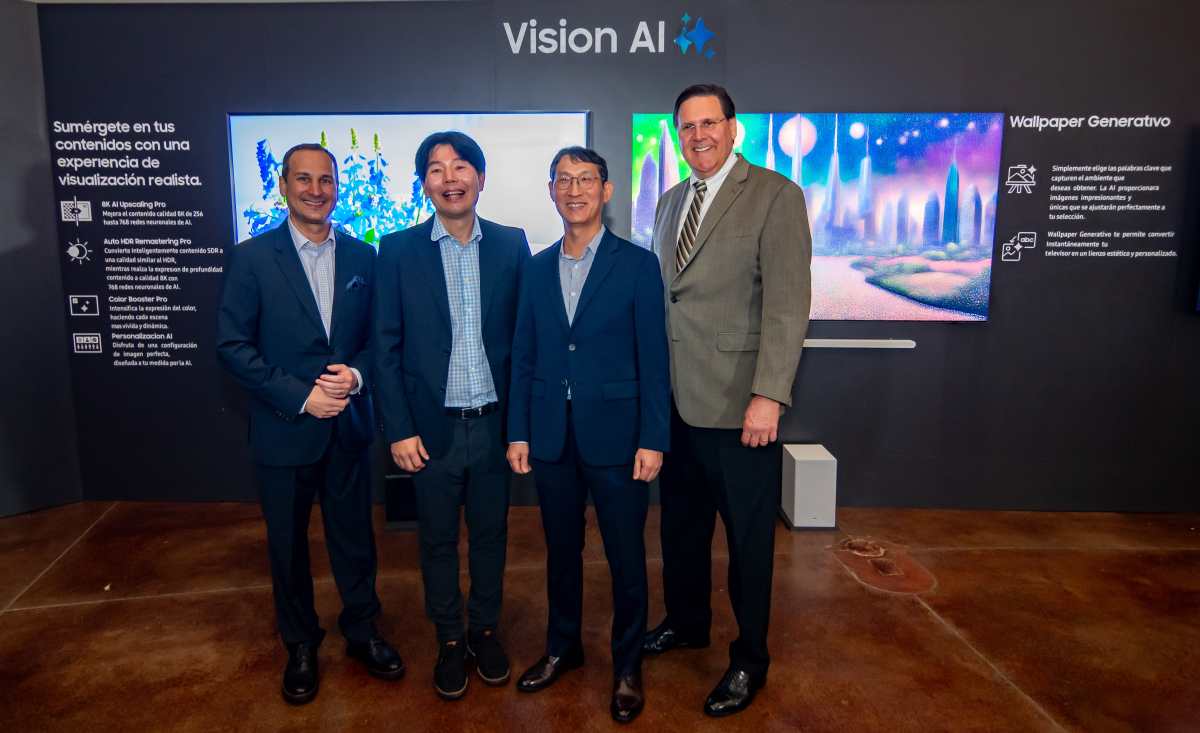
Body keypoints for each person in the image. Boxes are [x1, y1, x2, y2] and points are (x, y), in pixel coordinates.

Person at [645, 84, 812, 717]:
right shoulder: (669, 201)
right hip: (676, 403)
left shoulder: (775, 195)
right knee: (681, 530)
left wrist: (768, 395)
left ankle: (750, 659)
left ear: (733, 128)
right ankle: (687, 623)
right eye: (686, 127)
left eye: (709, 123)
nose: (698, 136)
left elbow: (788, 304)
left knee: (747, 543)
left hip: (741, 407)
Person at [216, 143, 403, 705]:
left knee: (355, 539)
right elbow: (232, 346)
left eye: (325, 180)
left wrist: (358, 375)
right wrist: (302, 398)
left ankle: (362, 630)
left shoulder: (365, 258)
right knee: (287, 546)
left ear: (337, 187)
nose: (315, 191)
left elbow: (378, 341)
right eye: (304, 179)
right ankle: (299, 643)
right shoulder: (252, 258)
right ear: (283, 186)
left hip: (348, 425)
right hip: (284, 429)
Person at [507, 146, 670, 724]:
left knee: (626, 557)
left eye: (585, 179)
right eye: (564, 180)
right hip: (551, 436)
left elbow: (654, 359)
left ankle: (627, 667)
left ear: (606, 190)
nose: (574, 190)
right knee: (560, 552)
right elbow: (524, 355)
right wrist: (518, 431)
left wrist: (653, 437)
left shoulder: (638, 265)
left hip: (620, 438)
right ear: (552, 191)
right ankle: (563, 647)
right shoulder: (534, 268)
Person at [372, 131, 530, 700]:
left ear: (481, 178)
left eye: (461, 166)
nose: (450, 178)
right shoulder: (397, 250)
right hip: (430, 430)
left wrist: (520, 429)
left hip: (492, 426)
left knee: (490, 536)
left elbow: (525, 345)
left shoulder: (511, 245)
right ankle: (449, 638)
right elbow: (385, 348)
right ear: (424, 184)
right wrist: (399, 429)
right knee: (436, 541)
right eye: (436, 170)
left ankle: (484, 630)